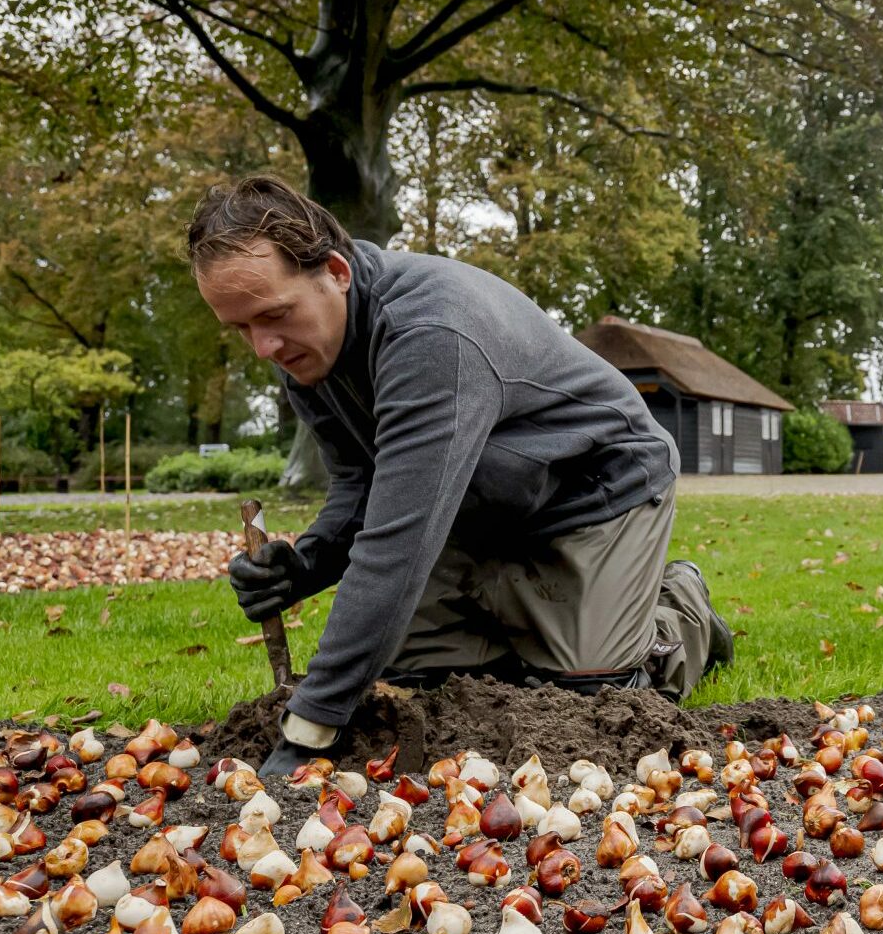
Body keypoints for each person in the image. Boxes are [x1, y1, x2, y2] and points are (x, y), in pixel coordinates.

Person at [192, 174, 732, 775]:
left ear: (336, 273)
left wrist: (312, 723)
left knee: (592, 697)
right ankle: (528, 620)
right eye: (240, 328)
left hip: (593, 491)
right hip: (478, 503)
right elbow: (359, 485)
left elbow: (400, 540)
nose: (262, 347)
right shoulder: (305, 354)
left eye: (273, 315)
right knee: (416, 685)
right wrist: (309, 563)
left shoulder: (431, 335)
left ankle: (681, 609)